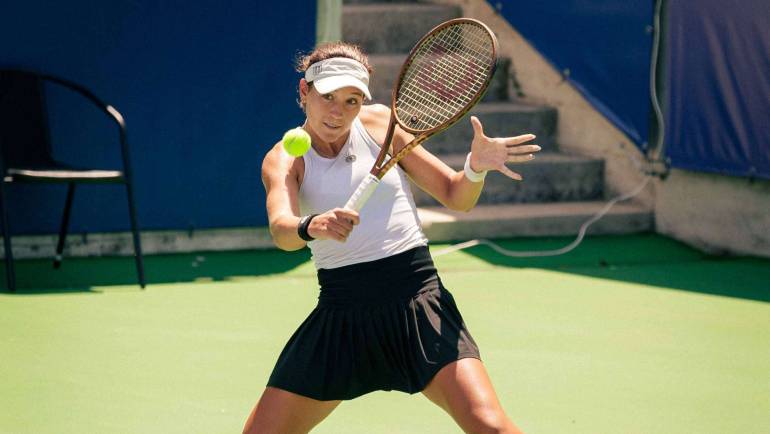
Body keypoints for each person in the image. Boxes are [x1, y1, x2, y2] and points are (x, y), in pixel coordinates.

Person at [244, 41, 540, 434]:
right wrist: (311, 225)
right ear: (304, 92)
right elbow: (282, 229)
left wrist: (475, 168)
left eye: (351, 101)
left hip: (418, 302)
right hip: (342, 314)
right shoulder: (284, 157)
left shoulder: (380, 124)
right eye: (327, 96)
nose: (338, 111)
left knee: (490, 425)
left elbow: (456, 195)